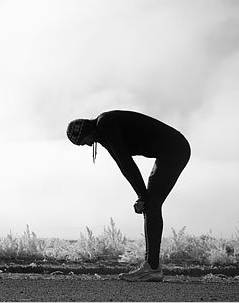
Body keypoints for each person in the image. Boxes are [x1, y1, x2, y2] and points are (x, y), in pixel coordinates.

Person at [66, 110, 190, 282]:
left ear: (86, 132)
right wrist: (142, 196)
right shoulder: (102, 131)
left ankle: (152, 268)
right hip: (170, 151)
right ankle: (152, 266)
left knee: (151, 204)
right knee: (150, 204)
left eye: (84, 142)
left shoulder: (105, 124)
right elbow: (123, 164)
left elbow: (126, 163)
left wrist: (142, 196)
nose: (87, 145)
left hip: (176, 149)